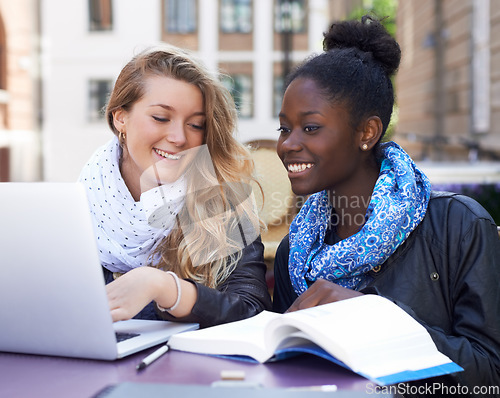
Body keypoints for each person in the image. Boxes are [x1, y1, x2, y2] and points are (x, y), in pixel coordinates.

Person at [272, 16, 500, 394]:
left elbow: (489, 377)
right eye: (284, 128)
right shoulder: (294, 253)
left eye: (310, 127)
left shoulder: (459, 226)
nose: (287, 144)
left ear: (367, 132)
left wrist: (373, 318)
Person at [79, 44, 271, 328]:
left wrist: (165, 288)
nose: (179, 138)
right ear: (120, 117)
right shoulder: (84, 199)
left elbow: (253, 310)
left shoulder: (222, 198)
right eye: (160, 118)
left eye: (195, 125)